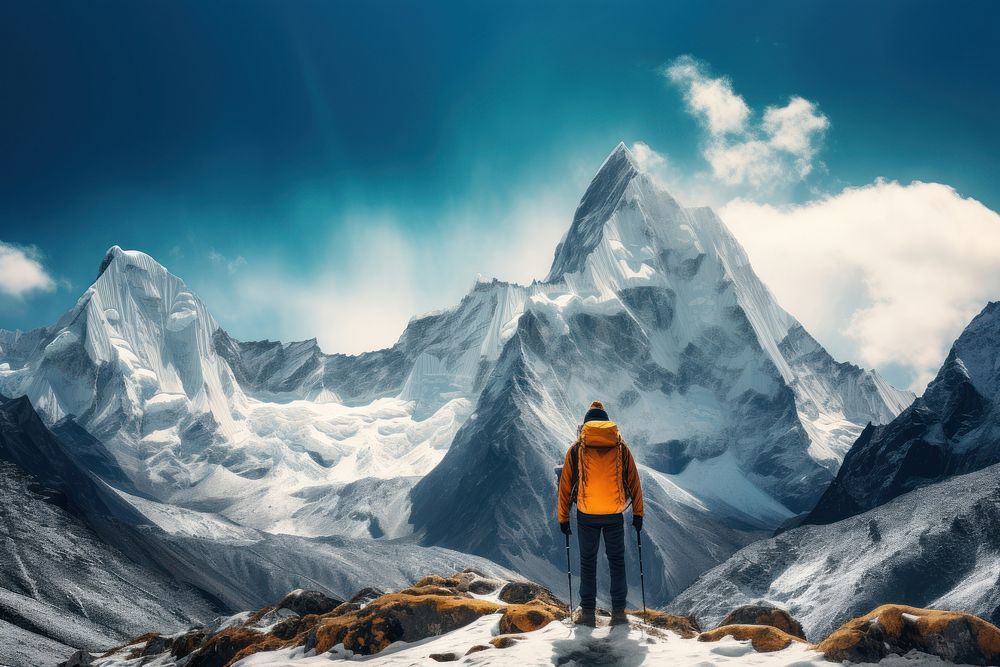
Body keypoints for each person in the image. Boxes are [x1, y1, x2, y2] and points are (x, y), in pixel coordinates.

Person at [557, 400, 644, 627]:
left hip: (586, 514)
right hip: (615, 513)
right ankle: (618, 614)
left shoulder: (577, 449)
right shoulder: (621, 448)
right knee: (616, 562)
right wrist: (638, 514)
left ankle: (587, 614)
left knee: (588, 563)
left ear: (585, 426)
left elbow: (566, 485)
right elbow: (634, 481)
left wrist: (563, 518)